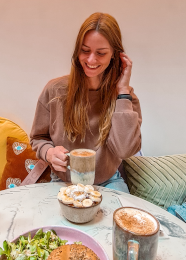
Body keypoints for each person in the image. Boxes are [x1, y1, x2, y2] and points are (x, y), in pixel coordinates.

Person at [30, 12, 142, 192]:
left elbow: (125, 151)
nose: (91, 60)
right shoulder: (54, 90)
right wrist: (49, 153)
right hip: (62, 182)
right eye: (85, 50)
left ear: (115, 54)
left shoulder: (126, 99)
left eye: (101, 53)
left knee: (123, 218)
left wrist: (122, 91)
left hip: (108, 181)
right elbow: (38, 138)